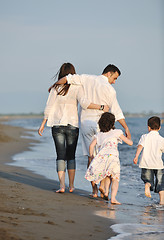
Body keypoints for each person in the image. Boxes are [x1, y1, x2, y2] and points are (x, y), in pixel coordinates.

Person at [52, 64, 131, 197]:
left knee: (92, 156)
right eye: (115, 78)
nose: (114, 82)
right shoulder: (110, 89)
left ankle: (94, 190)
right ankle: (104, 189)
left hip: (85, 124)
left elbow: (67, 78)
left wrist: (54, 85)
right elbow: (116, 112)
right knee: (105, 156)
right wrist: (126, 127)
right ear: (109, 73)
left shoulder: (86, 78)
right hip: (102, 125)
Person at [38, 63, 109, 193]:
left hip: (57, 125)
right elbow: (85, 103)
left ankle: (62, 186)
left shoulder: (56, 87)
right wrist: (101, 107)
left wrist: (43, 123)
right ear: (73, 73)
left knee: (60, 155)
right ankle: (71, 185)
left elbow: (49, 106)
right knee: (71, 156)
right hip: (72, 125)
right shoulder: (78, 87)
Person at [85, 112, 133, 204]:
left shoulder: (99, 135)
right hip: (113, 156)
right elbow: (130, 143)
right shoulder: (117, 132)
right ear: (113, 123)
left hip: (102, 156)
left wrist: (91, 156)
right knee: (114, 178)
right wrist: (128, 135)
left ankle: (105, 191)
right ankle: (113, 198)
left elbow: (91, 146)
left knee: (106, 174)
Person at [133, 116, 164, 205]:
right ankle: (162, 201)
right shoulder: (161, 139)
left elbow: (140, 146)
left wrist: (136, 156)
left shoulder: (144, 137)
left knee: (148, 180)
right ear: (159, 127)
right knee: (161, 184)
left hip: (146, 163)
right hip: (158, 165)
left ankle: (148, 185)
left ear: (148, 127)